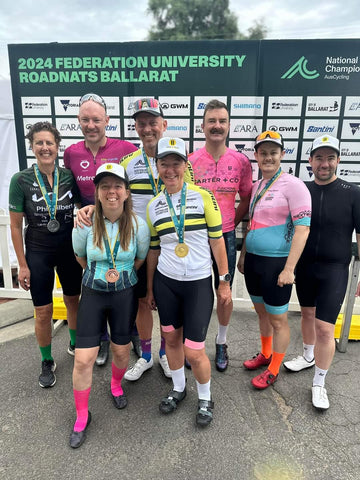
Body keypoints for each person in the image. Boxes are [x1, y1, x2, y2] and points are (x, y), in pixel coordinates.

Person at [77, 97, 194, 381]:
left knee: (167, 305)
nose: (147, 128)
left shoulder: (179, 163)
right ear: (136, 127)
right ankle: (145, 355)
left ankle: (167, 354)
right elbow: (113, 193)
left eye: (153, 122)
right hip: (137, 244)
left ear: (163, 125)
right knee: (142, 302)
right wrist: (93, 206)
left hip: (169, 246)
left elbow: (189, 201)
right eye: (141, 123)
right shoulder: (129, 161)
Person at [146, 137, 231, 426]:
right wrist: (149, 289)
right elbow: (154, 251)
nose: (170, 170)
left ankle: (205, 397)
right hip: (166, 282)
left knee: (194, 350)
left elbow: (217, 242)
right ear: (157, 166)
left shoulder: (203, 197)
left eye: (176, 163)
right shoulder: (154, 206)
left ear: (185, 165)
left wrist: (224, 281)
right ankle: (179, 388)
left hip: (197, 283)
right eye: (164, 163)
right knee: (170, 338)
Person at [70, 163, 150, 448]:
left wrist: (119, 273)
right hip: (92, 292)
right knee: (83, 358)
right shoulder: (84, 222)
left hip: (124, 294)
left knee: (120, 350)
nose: (111, 192)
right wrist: (101, 274)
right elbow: (80, 256)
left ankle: (116, 386)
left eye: (117, 186)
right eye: (105, 186)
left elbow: (140, 259)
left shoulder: (139, 225)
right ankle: (82, 416)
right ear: (97, 192)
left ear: (127, 192)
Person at [283, 135, 360, 410]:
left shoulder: (353, 192)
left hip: (335, 268)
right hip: (305, 266)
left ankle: (319, 382)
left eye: (330, 158)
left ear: (338, 160)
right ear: (310, 161)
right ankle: (307, 356)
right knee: (306, 314)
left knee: (325, 329)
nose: (324, 163)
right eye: (319, 158)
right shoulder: (302, 190)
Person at [64, 92, 138, 366]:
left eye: (96, 119)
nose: (91, 125)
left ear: (107, 120)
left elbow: (131, 188)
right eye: (86, 120)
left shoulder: (127, 150)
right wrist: (80, 213)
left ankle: (127, 335)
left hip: (122, 224)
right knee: (95, 285)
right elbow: (69, 193)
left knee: (125, 285)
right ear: (79, 121)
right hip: (90, 227)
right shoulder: (71, 153)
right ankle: (102, 342)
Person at [9, 121, 83, 388]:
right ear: (32, 146)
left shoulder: (68, 176)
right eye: (39, 143)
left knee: (73, 300)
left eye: (49, 143)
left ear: (57, 146)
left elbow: (82, 207)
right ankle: (46, 359)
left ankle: (75, 343)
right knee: (43, 311)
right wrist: (22, 264)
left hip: (67, 247)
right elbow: (16, 226)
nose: (44, 147)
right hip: (38, 249)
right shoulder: (21, 180)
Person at [237, 130, 311, 389]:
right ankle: (266, 353)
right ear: (256, 156)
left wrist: (289, 268)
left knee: (278, 319)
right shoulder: (257, 186)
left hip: (278, 264)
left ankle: (274, 367)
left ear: (282, 155)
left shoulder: (294, 185)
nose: (268, 157)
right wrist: (244, 254)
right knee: (262, 314)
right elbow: (250, 225)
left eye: (273, 152)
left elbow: (303, 229)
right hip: (255, 261)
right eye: (263, 152)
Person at [189, 99, 252, 372]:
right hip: (195, 238)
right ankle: (195, 344)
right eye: (212, 121)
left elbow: (248, 199)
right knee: (195, 295)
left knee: (224, 295)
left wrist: (232, 223)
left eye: (222, 121)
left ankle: (222, 342)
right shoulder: (190, 161)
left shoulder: (241, 161)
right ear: (202, 126)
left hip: (225, 237)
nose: (217, 126)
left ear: (228, 126)